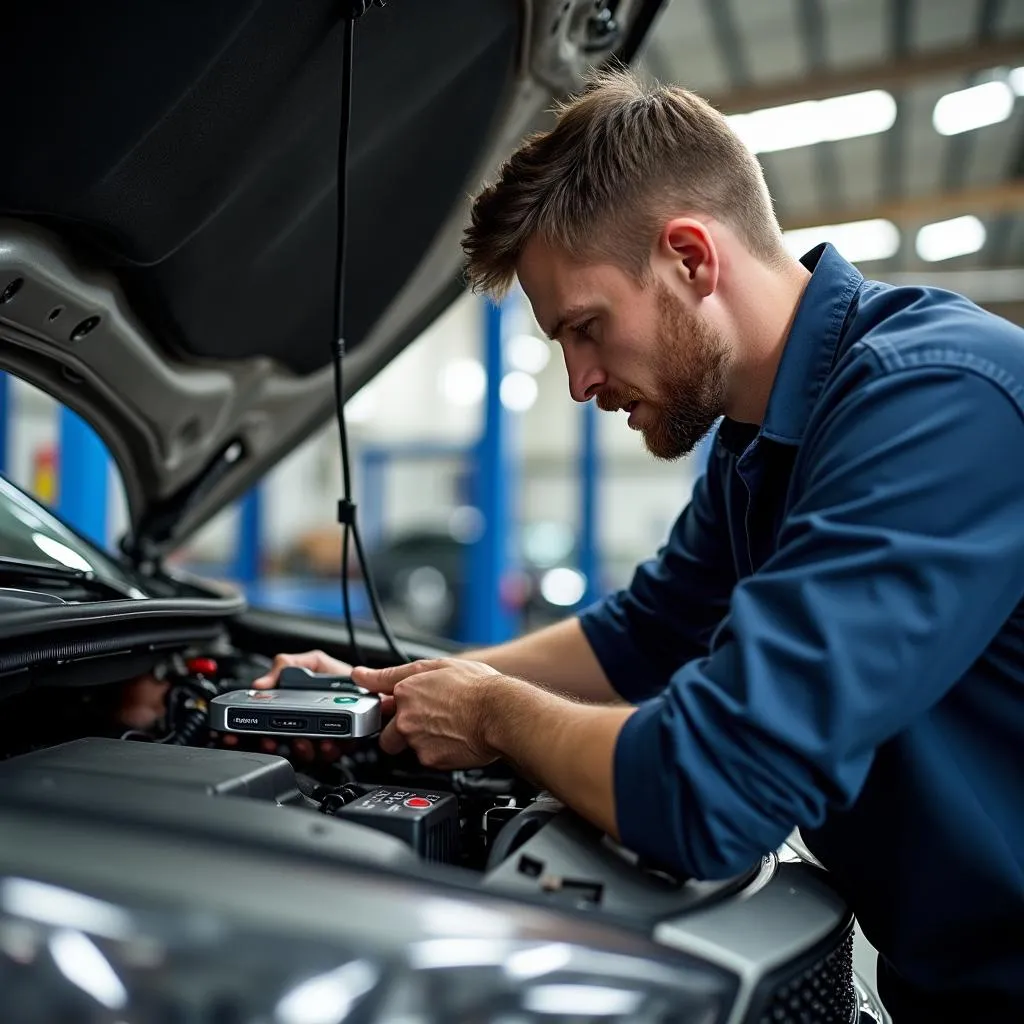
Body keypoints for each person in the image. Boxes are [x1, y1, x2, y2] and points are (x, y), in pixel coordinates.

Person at [255, 70, 1024, 1021]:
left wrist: (495, 714)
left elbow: (715, 787)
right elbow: (639, 637)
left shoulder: (939, 401)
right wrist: (412, 687)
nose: (577, 381)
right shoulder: (759, 445)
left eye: (585, 328)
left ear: (691, 259)